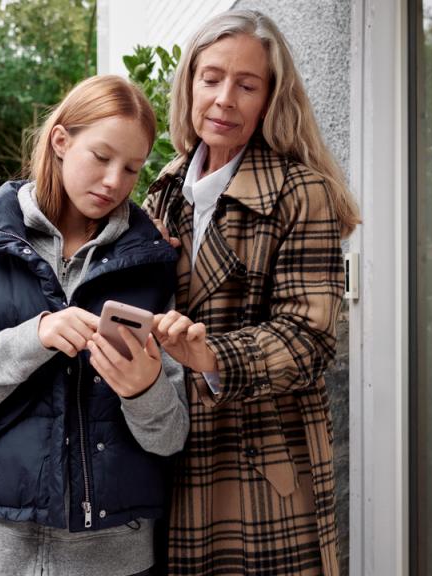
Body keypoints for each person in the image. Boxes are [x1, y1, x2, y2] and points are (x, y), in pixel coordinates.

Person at [0, 75, 188, 576]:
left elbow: (169, 436)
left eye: (132, 168)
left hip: (111, 558)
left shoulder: (151, 265)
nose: (114, 181)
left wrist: (144, 389)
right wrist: (31, 338)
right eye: (101, 157)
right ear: (61, 141)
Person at [143, 10, 361, 575]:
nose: (223, 99)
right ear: (189, 82)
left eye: (246, 85)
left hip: (260, 466)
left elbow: (309, 339)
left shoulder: (300, 192)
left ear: (270, 100)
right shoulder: (165, 189)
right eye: (211, 78)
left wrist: (210, 354)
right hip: (169, 454)